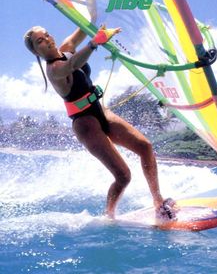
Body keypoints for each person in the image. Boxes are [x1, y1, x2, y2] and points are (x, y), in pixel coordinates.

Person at [24, 25, 176, 221]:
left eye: (46, 34)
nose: (47, 39)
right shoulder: (54, 70)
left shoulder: (67, 47)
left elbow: (86, 25)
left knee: (145, 147)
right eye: (40, 41)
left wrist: (95, 13)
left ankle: (158, 202)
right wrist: (95, 42)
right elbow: (72, 65)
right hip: (85, 123)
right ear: (36, 51)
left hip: (100, 110)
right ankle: (109, 217)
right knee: (123, 176)